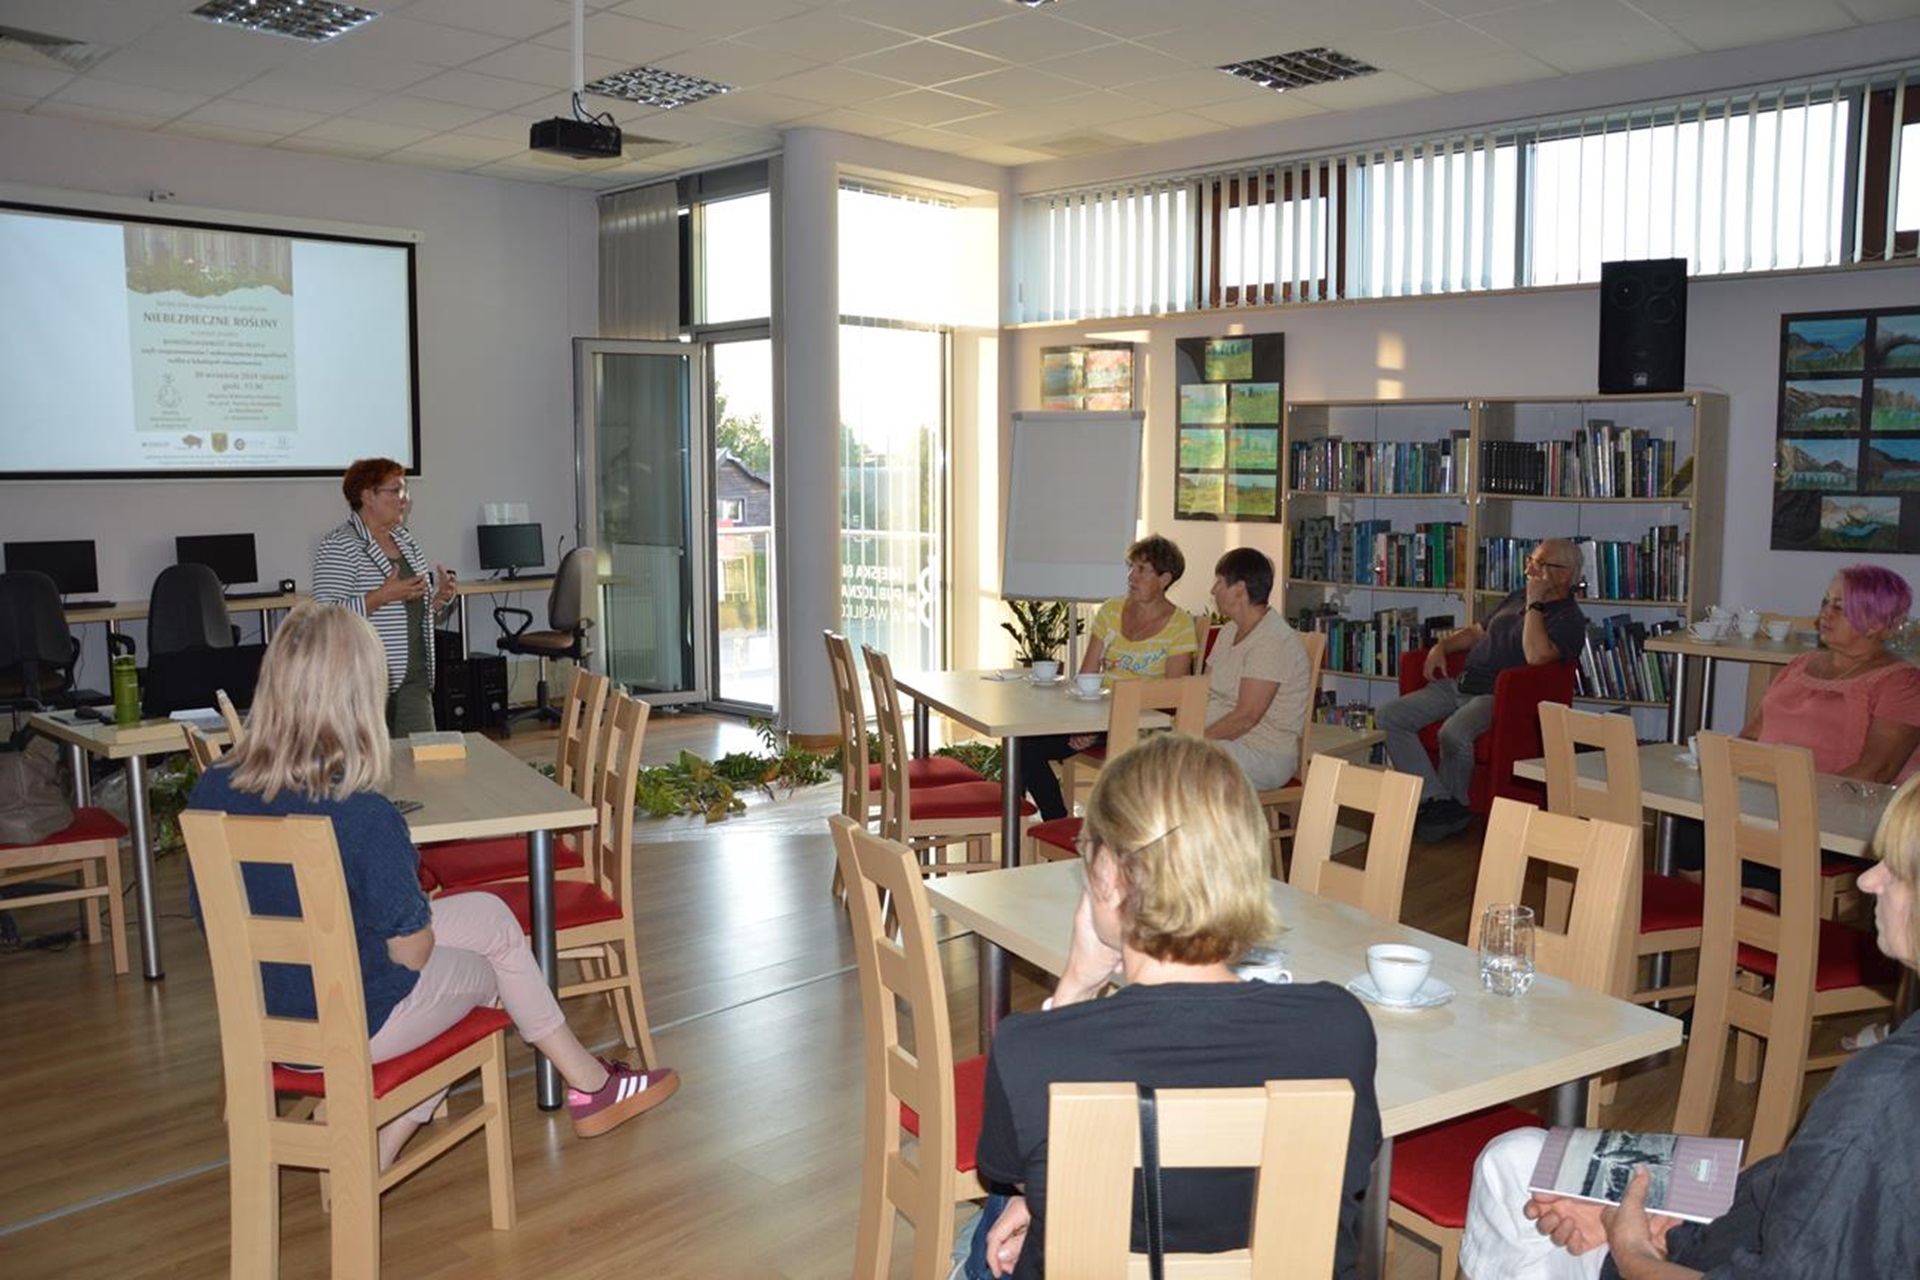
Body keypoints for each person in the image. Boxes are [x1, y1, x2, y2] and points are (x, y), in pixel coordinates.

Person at [187, 603, 677, 1167]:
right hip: (350, 1023)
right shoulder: (362, 814)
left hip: (263, 1012)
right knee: (490, 973)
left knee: (491, 918)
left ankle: (588, 1082)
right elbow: (411, 951)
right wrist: (409, 909)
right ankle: (380, 1153)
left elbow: (213, 917)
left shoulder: (213, 789)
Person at [1456, 770, 1920, 1279]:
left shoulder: (1882, 1097)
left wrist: (1632, 1246)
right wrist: (1665, 1208)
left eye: (1896, 869)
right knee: (1527, 1161)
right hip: (1728, 1228)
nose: (1868, 879)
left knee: (1511, 1163)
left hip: (1688, 1260)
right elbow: (1820, 1200)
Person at [969, 733, 1382, 1279]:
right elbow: (1346, 1180)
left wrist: (1073, 988)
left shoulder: (1033, 1049)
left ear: (1111, 877)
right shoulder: (1341, 1026)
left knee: (978, 1251)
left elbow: (1019, 1173)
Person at [1378, 538, 1585, 842]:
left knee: (1453, 733)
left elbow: (1536, 656)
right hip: (1462, 682)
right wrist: (1442, 646)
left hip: (1499, 696)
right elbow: (1477, 632)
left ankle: (1454, 804)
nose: (1529, 568)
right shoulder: (1516, 597)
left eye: (1539, 564)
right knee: (1389, 716)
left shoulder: (1569, 618)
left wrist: (1535, 604)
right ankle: (1438, 801)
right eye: (1530, 559)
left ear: (1565, 574)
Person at [1016, 535, 1199, 820]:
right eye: (1131, 567)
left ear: (1165, 579)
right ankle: (1059, 823)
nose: (1131, 576)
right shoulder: (1112, 610)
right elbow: (1087, 674)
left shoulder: (1181, 625)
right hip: (1096, 716)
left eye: (1142, 570)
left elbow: (1171, 698)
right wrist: (1083, 723)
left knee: (1028, 750)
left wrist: (1104, 725)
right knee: (1023, 746)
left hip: (1144, 725)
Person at [312, 457, 456, 736]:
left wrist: (438, 600)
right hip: (363, 682)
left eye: (405, 491)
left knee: (422, 767)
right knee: (372, 771)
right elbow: (324, 620)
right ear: (368, 495)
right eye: (396, 491)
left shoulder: (406, 541)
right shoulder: (340, 545)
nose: (405, 500)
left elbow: (411, 613)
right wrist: (380, 596)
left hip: (415, 677)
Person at [1203, 548, 1313, 790]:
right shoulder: (1228, 631)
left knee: (1177, 764)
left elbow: (1246, 718)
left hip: (1262, 752)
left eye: (1219, 582)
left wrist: (1191, 741)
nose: (1213, 590)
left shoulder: (1273, 640)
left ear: (1239, 589)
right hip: (1221, 741)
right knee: (1151, 752)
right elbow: (1203, 691)